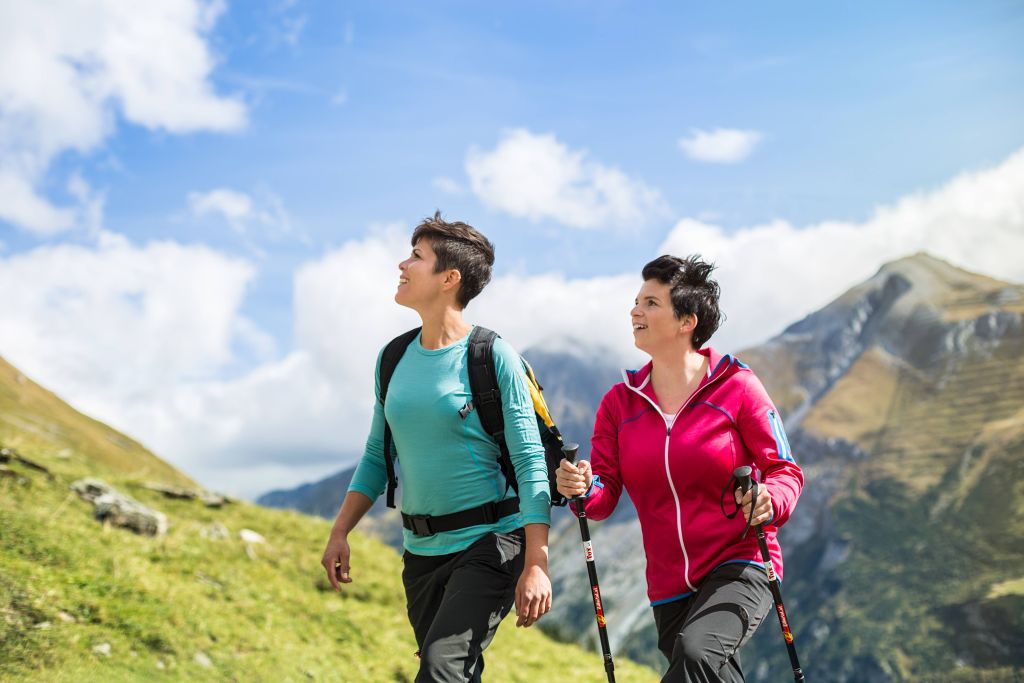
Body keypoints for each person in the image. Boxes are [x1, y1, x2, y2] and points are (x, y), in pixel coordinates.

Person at [321, 212, 552, 683]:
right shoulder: (392, 359)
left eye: (416, 257)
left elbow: (531, 464)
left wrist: (535, 564)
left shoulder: (492, 356)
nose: (402, 264)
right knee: (451, 673)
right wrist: (340, 531)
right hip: (420, 554)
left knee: (440, 670)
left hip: (492, 544)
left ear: (450, 278)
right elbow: (375, 456)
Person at [556, 254, 803, 682]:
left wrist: (769, 499)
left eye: (651, 303)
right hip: (668, 585)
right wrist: (580, 485)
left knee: (695, 654)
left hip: (741, 561)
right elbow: (604, 492)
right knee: (710, 673)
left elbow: (785, 470)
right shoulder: (620, 403)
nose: (635, 311)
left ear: (686, 320)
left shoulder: (737, 387)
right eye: (636, 301)